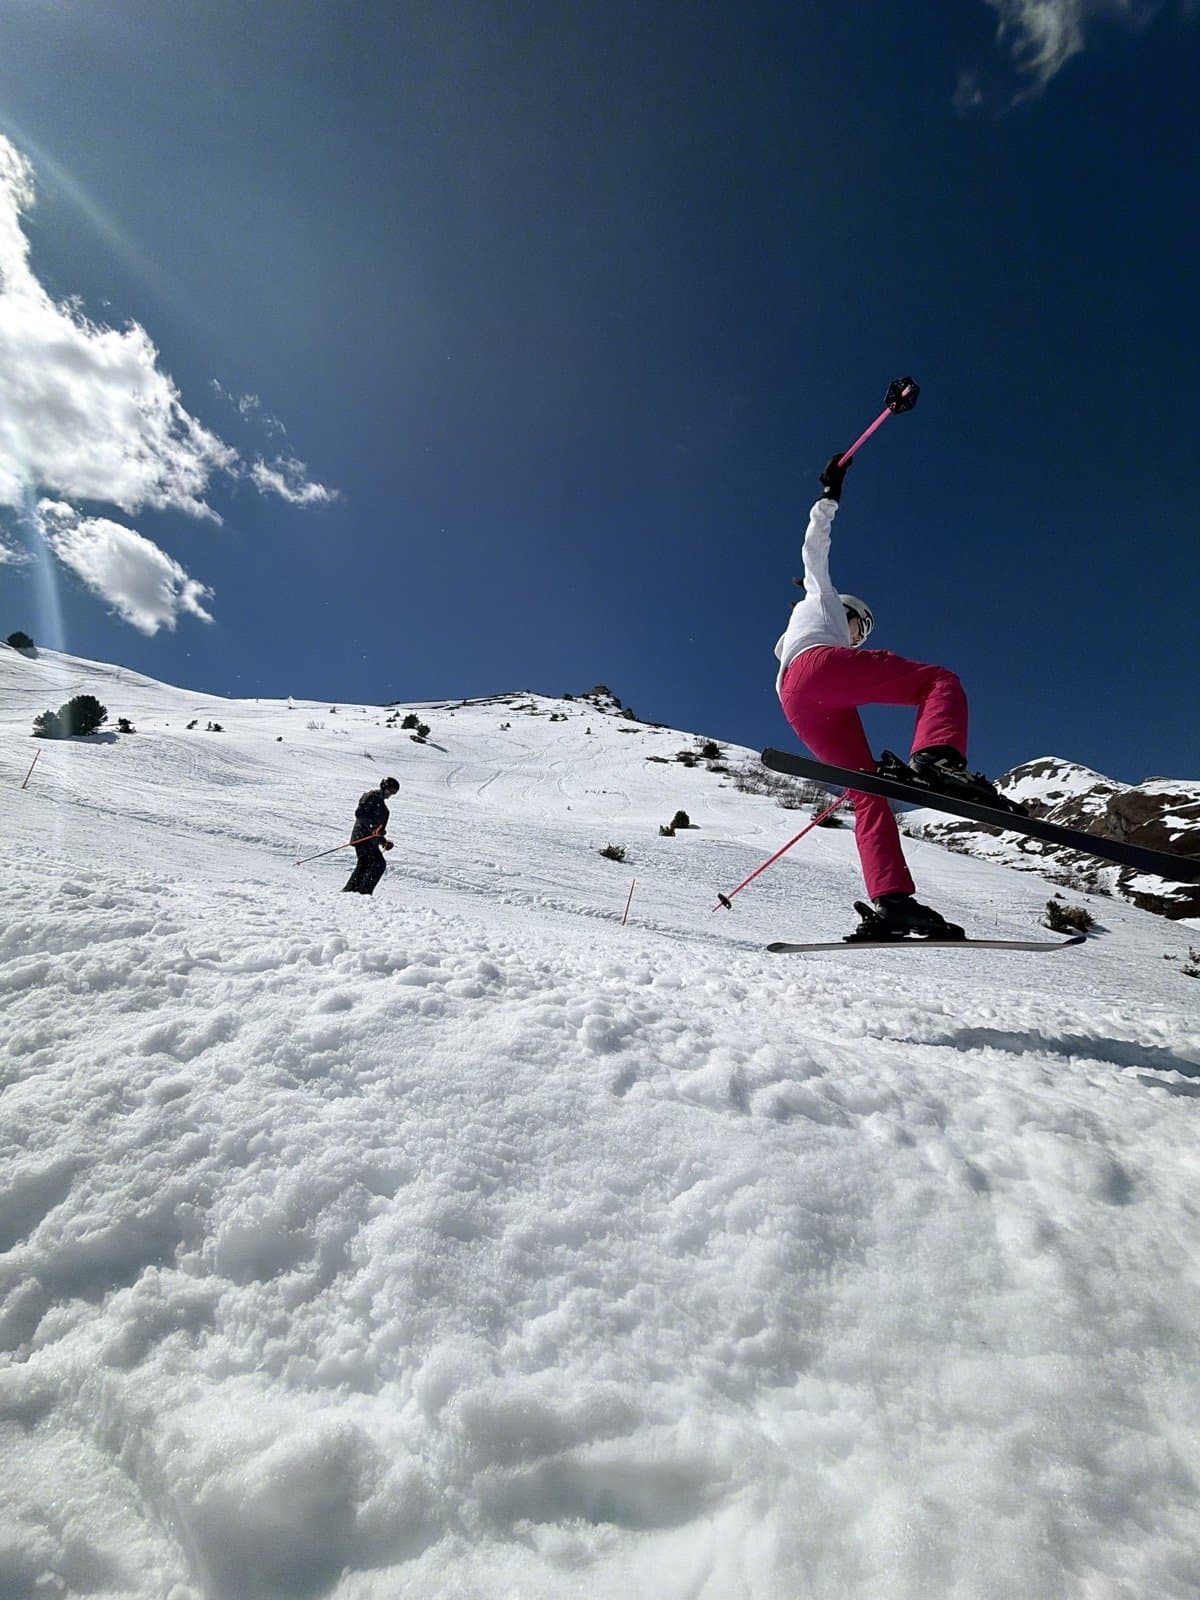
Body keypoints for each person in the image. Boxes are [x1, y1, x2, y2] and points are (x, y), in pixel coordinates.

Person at [774, 451, 1014, 940]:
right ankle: (939, 759)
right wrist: (828, 499)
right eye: (860, 626)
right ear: (847, 611)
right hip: (817, 670)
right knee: (940, 681)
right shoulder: (820, 601)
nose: (859, 637)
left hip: (797, 705)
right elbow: (812, 550)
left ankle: (893, 901)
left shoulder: (805, 630)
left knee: (868, 793)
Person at [342, 777, 399, 896]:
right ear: (383, 788)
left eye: (393, 793)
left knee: (368, 864)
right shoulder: (371, 797)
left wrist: (383, 841)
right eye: (389, 791)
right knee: (375, 863)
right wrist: (373, 828)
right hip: (362, 837)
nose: (390, 795)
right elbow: (360, 814)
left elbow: (378, 829)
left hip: (370, 840)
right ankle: (360, 892)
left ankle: (354, 891)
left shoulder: (383, 808)